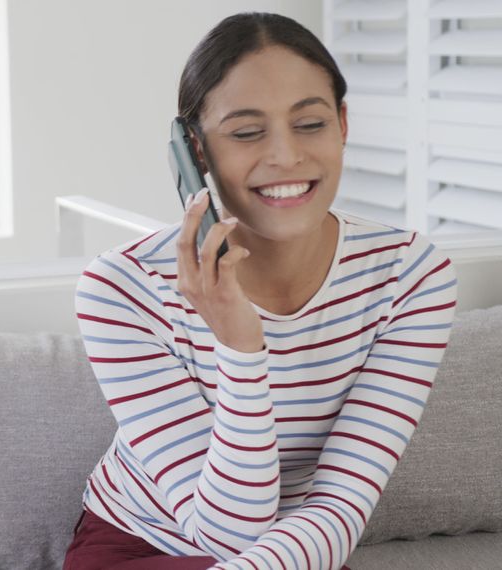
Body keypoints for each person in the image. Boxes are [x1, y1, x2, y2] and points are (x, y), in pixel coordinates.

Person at [63, 11, 457, 570]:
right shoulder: (122, 289)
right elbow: (225, 534)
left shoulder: (410, 275)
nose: (286, 156)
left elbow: (339, 507)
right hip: (141, 544)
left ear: (343, 124)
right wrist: (240, 348)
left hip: (297, 552)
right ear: (195, 151)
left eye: (311, 124)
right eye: (247, 132)